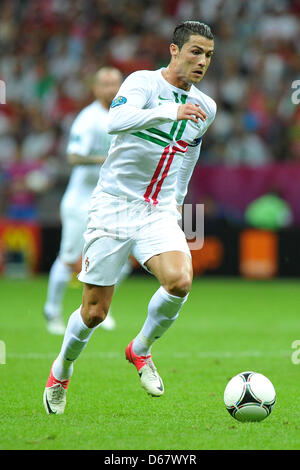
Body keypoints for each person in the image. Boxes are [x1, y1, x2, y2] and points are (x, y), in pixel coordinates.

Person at [43, 20, 217, 414]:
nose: (202, 61)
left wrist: (178, 200)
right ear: (174, 50)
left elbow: (189, 153)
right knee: (94, 312)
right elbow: (116, 122)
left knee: (180, 281)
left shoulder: (206, 107)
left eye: (208, 55)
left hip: (157, 210)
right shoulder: (141, 83)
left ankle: (140, 349)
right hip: (114, 204)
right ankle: (62, 370)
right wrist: (171, 111)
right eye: (195, 51)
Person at [43, 67, 133, 335]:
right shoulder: (88, 118)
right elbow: (73, 157)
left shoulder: (127, 116)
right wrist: (104, 160)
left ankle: (101, 306)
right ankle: (52, 311)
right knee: (70, 259)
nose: (111, 88)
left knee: (122, 260)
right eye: (105, 84)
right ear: (95, 89)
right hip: (81, 201)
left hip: (111, 201)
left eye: (115, 83)